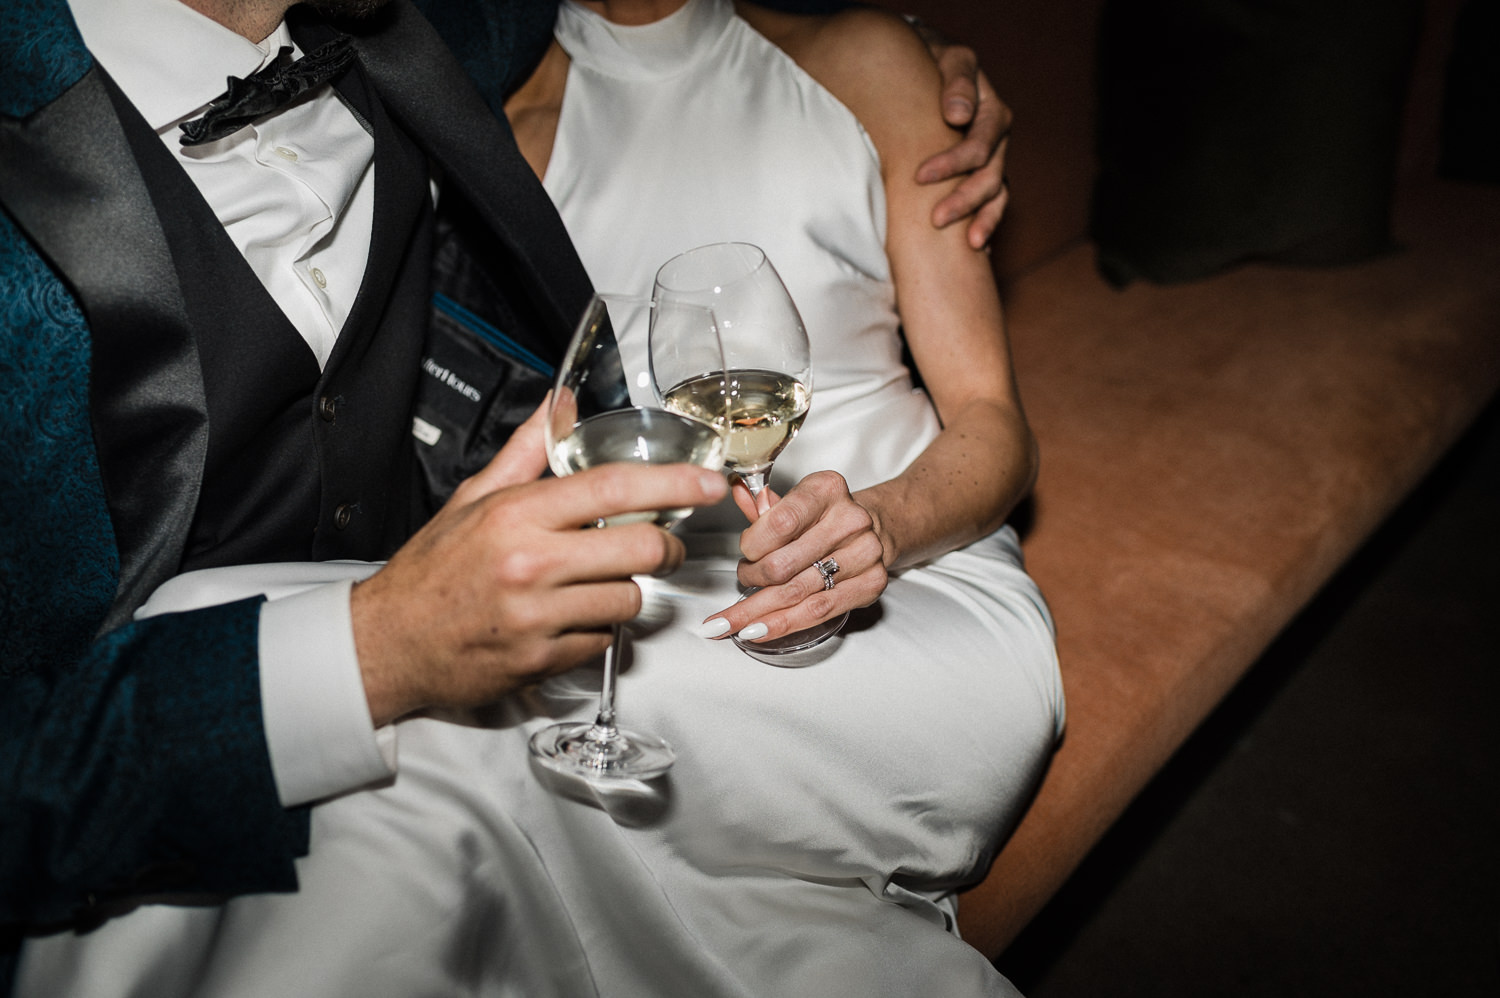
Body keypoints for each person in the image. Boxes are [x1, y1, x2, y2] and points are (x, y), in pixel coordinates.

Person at [1, 0, 1012, 991]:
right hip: (179, 715)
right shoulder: (513, 67)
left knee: (416, 788)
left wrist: (908, 57)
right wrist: (375, 647)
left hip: (863, 579)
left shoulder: (432, 28)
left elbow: (989, 419)